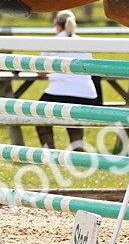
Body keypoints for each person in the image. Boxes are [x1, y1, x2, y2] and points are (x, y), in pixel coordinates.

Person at [35, 10, 101, 150]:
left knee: (37, 113)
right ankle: (77, 149)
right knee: (72, 116)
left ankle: (49, 151)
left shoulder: (52, 42)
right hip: (87, 96)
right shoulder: (83, 42)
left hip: (60, 93)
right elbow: (91, 69)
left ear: (57, 26)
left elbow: (41, 72)